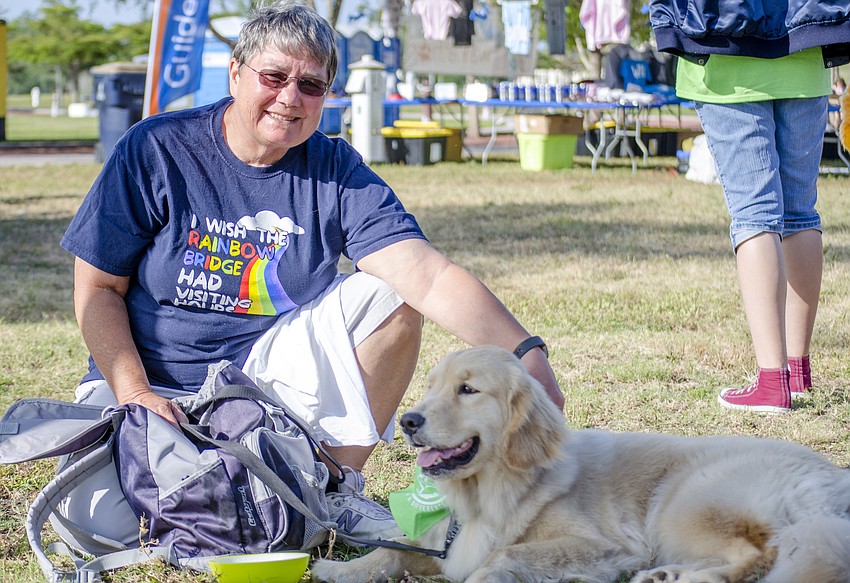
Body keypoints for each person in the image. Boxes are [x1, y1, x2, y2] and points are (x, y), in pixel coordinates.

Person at [57, 0, 562, 549]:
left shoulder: (335, 168)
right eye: (273, 77)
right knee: (92, 529)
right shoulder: (154, 149)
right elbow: (97, 290)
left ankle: (334, 484)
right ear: (235, 72)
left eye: (312, 86)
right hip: (143, 379)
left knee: (387, 294)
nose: (290, 98)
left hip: (261, 382)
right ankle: (252, 486)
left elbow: (428, 275)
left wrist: (525, 352)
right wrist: (133, 392)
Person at [650, 1, 850, 412]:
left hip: (726, 58)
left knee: (755, 216)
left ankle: (772, 382)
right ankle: (797, 372)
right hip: (804, 54)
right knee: (800, 213)